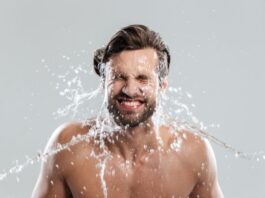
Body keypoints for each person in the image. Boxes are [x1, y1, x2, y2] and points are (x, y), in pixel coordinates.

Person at [32, 24, 223, 198]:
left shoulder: (193, 153)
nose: (130, 90)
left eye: (142, 78)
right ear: (103, 83)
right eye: (119, 77)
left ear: (162, 85)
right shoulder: (69, 146)